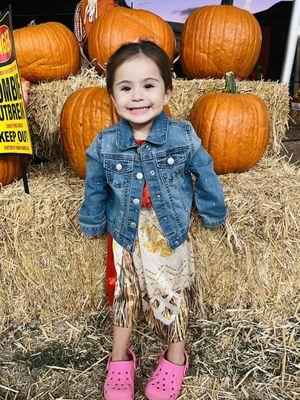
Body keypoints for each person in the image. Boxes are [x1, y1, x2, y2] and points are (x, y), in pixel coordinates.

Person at [78, 40, 228, 400]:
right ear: (113, 97)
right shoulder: (105, 143)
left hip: (167, 231)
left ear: (167, 91)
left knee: (173, 293)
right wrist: (93, 221)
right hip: (126, 233)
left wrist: (213, 211)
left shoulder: (182, 136)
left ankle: (176, 357)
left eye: (149, 85)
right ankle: (119, 360)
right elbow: (95, 187)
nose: (137, 96)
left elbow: (204, 173)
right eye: (125, 88)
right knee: (125, 296)